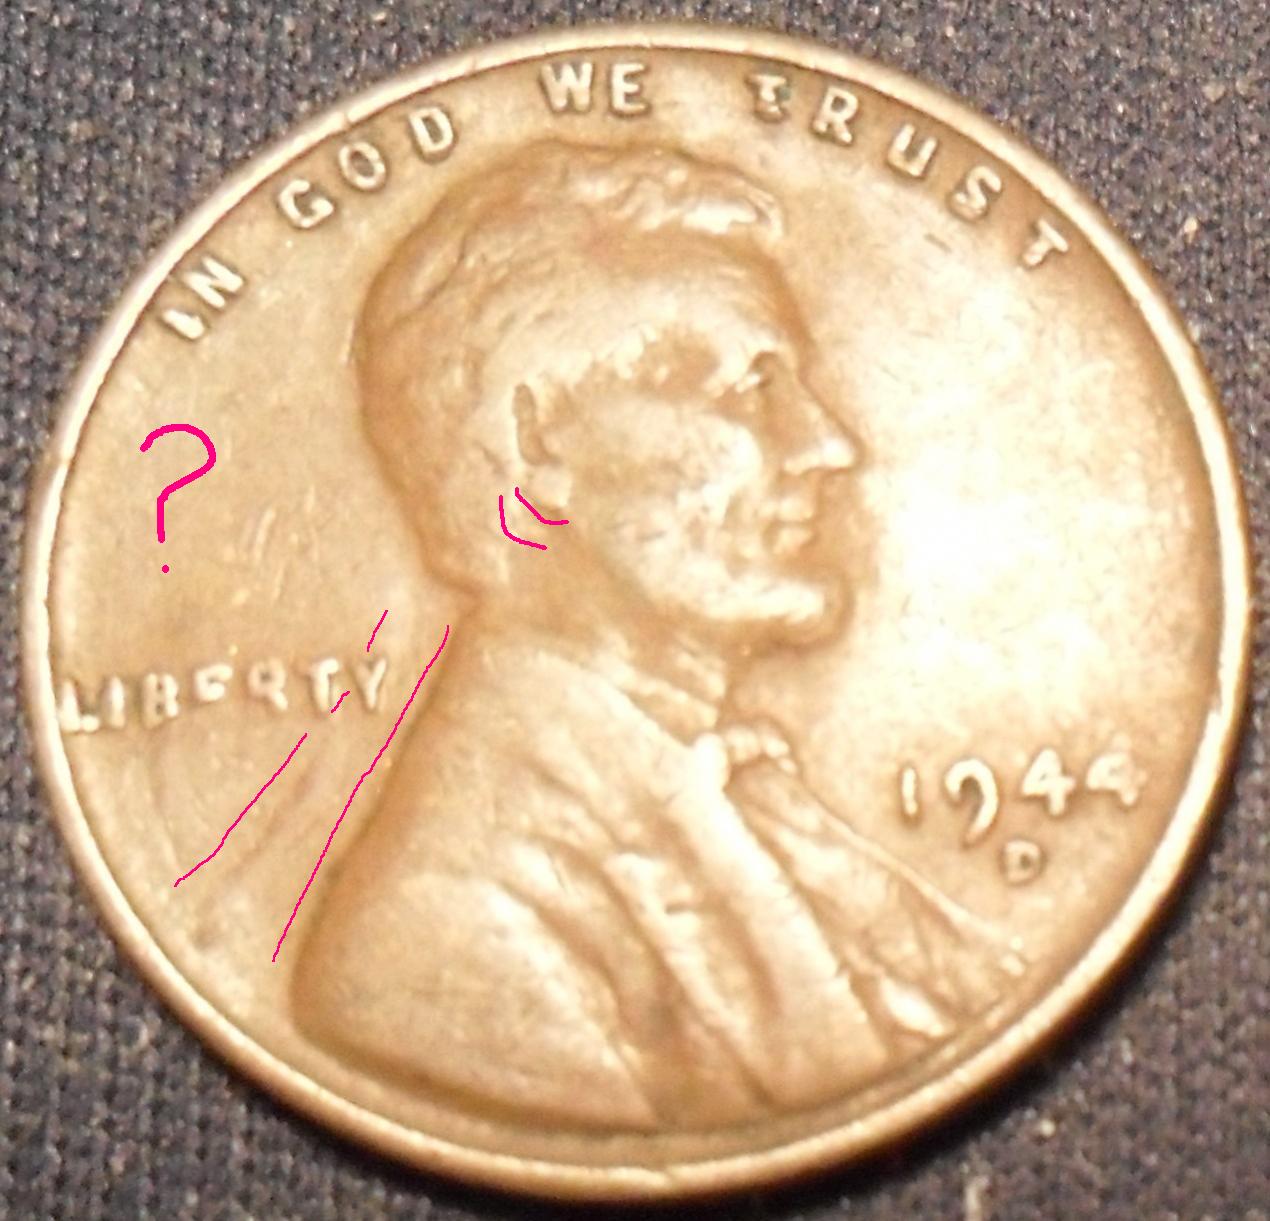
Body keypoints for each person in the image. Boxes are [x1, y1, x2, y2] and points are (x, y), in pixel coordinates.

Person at [292, 142, 1023, 1130]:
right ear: (537, 446)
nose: (825, 444)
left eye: (795, 386)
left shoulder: (750, 797)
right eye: (745, 389)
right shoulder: (451, 932)